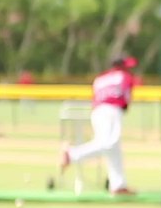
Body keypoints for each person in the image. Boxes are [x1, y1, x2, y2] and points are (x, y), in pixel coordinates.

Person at [59, 56, 140, 195]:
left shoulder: (100, 78)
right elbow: (127, 98)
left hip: (97, 112)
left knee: (114, 149)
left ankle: (118, 185)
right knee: (107, 144)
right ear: (121, 66)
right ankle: (71, 154)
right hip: (112, 111)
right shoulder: (124, 76)